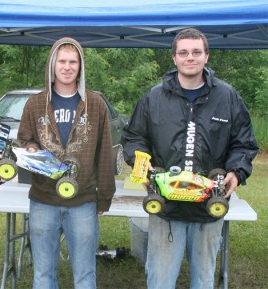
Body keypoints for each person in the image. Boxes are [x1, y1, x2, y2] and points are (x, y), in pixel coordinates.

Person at [121, 28, 259, 289]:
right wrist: (141, 164)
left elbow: (244, 143)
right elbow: (134, 138)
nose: (190, 58)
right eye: (183, 52)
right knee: (160, 280)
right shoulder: (154, 97)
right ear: (174, 58)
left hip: (208, 206)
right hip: (165, 206)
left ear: (207, 56)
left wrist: (236, 172)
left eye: (196, 52)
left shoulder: (227, 97)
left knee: (204, 280)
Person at [17, 37, 116, 289]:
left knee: (84, 273)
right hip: (43, 200)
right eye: (62, 61)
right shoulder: (35, 103)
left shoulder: (94, 104)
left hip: (82, 201)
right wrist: (31, 148)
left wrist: (104, 196)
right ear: (52, 65)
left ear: (80, 67)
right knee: (42, 273)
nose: (67, 67)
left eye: (73, 62)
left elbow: (105, 152)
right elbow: (25, 140)